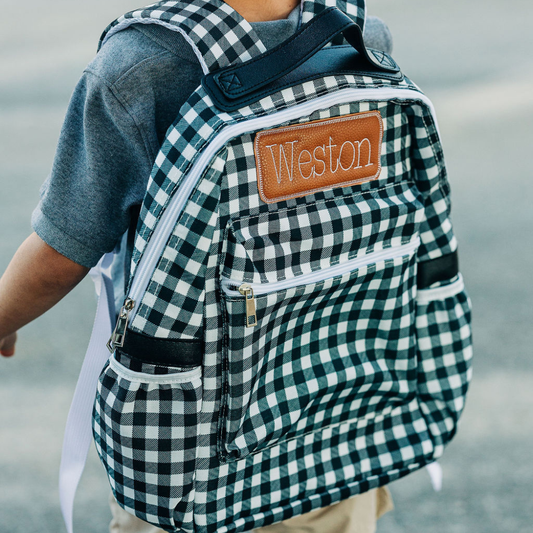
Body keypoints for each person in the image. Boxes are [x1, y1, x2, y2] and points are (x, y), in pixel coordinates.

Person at [0, 1, 395, 531]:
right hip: (332, 430)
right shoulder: (358, 36)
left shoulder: (140, 65)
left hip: (192, 452)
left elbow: (61, 252)